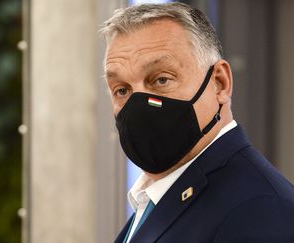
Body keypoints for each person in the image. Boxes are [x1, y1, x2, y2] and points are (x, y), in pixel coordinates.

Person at [100, 2, 294, 243]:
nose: (138, 104)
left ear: (220, 83)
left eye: (161, 80)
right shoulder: (155, 197)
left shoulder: (260, 210)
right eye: (122, 90)